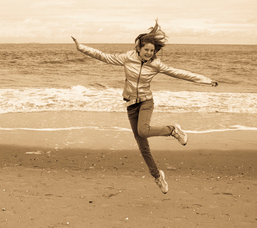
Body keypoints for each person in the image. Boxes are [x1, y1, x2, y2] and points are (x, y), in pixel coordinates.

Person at [71, 20, 218, 194]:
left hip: (146, 102)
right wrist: (81, 48)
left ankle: (173, 130)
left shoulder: (156, 65)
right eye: (146, 49)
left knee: (143, 131)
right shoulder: (127, 58)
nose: (149, 53)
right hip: (131, 105)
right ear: (138, 48)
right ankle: (157, 176)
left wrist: (206, 80)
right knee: (142, 146)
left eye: (152, 50)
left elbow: (178, 73)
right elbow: (104, 56)